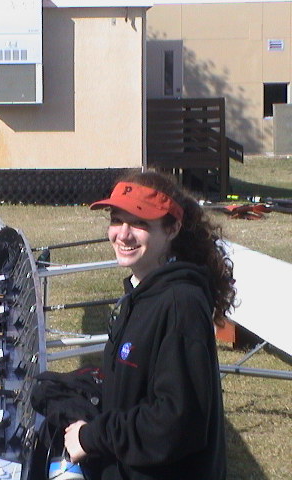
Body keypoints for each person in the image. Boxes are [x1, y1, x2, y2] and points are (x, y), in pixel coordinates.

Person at [64, 171, 235, 480]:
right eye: (116, 220)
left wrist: (91, 437)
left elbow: (175, 424)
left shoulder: (180, 303)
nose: (123, 234)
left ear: (172, 229)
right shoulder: (141, 292)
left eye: (140, 223)